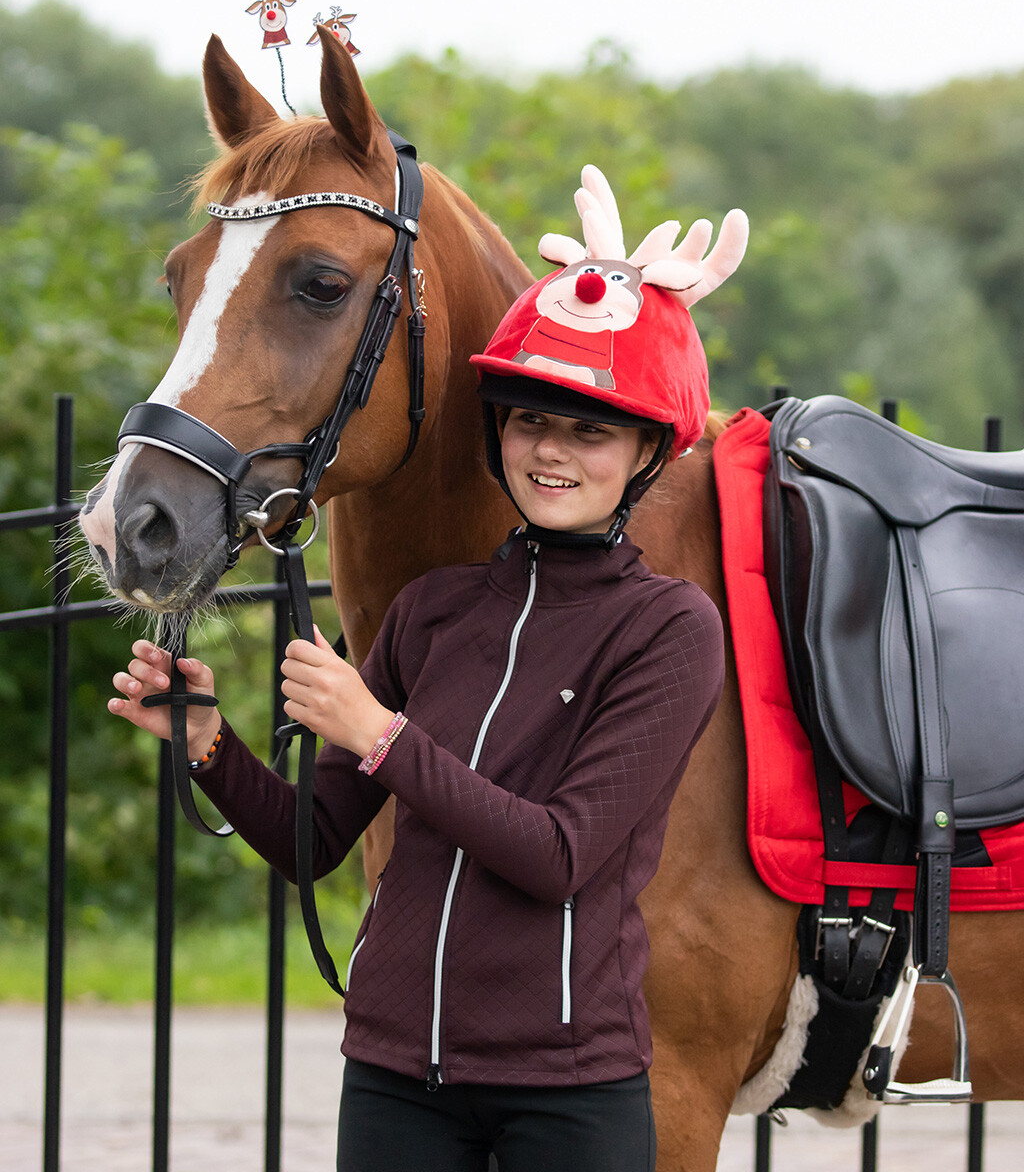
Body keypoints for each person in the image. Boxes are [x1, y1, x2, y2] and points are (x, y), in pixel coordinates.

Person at [108, 167, 747, 1171]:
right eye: (531, 419)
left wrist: (377, 732)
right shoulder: (430, 611)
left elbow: (559, 854)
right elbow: (314, 838)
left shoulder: (671, 627)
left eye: (591, 430)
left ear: (643, 454)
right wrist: (208, 742)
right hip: (398, 1081)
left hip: (570, 1093)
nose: (552, 452)